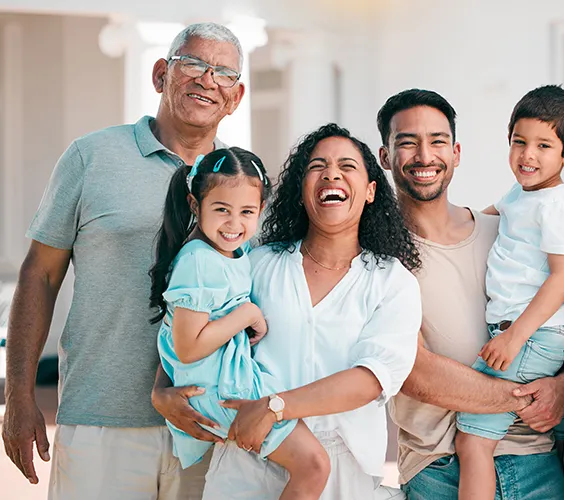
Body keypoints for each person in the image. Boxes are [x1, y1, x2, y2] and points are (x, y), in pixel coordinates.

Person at [2, 22, 245, 499]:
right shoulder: (91, 157)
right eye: (193, 63)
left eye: (223, 73)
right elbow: (40, 274)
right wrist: (18, 395)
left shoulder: (244, 182)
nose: (207, 79)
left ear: (235, 98)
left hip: (207, 423)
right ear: (160, 75)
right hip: (99, 419)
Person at [153, 123, 422, 499]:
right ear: (300, 191)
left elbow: (370, 380)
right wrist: (160, 390)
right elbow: (193, 322)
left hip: (341, 474)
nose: (331, 173)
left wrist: (275, 408)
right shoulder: (257, 263)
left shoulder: (392, 282)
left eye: (347, 166)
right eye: (317, 166)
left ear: (371, 191)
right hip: (246, 462)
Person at [379, 88, 564, 500]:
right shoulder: (379, 259)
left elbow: (562, 317)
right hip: (439, 470)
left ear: (456, 152)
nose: (424, 155)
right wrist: (523, 399)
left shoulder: (506, 234)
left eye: (437, 141)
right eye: (407, 142)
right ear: (385, 157)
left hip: (535, 463)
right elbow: (414, 373)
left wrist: (563, 386)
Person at [149, 147, 330, 499]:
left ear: (261, 209)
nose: (234, 224)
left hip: (226, 380)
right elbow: (187, 348)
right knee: (314, 465)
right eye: (221, 210)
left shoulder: (232, 253)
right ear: (194, 205)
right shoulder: (199, 260)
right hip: (219, 390)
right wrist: (246, 315)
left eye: (246, 211)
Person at [454, 85, 564, 499]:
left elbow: (563, 277)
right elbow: (478, 219)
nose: (527, 155)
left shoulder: (559, 205)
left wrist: (515, 337)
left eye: (543, 146)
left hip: (530, 335)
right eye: (519, 142)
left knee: (473, 441)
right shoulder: (521, 193)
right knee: (475, 437)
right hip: (517, 332)